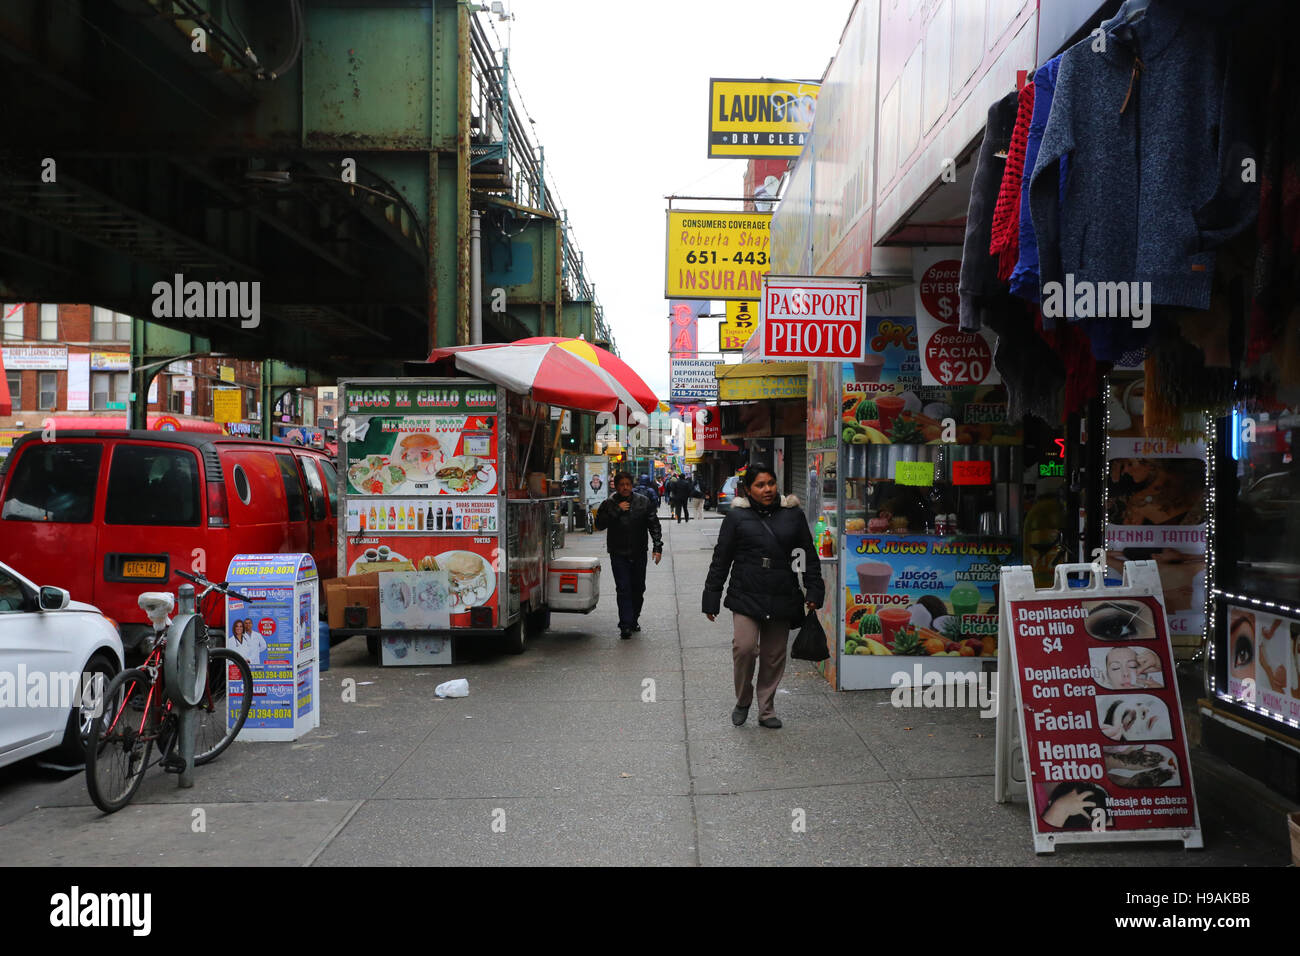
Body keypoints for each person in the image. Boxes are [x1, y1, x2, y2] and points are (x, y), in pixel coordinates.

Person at [702, 463, 823, 729]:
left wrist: (813, 589)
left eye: (771, 483)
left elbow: (806, 554)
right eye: (760, 485)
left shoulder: (793, 515)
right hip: (745, 593)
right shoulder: (736, 518)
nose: (767, 489)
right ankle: (743, 699)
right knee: (744, 649)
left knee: (773, 655)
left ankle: (766, 709)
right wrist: (711, 596)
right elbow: (721, 559)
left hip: (782, 593)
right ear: (748, 489)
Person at [595, 471, 663, 639]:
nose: (625, 487)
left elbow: (654, 524)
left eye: (627, 484)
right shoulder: (609, 503)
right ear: (616, 487)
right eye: (621, 485)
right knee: (623, 588)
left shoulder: (643, 502)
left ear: (632, 485)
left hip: (639, 552)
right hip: (618, 554)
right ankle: (625, 624)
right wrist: (617, 511)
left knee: (638, 588)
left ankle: (634, 619)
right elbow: (599, 524)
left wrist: (657, 547)